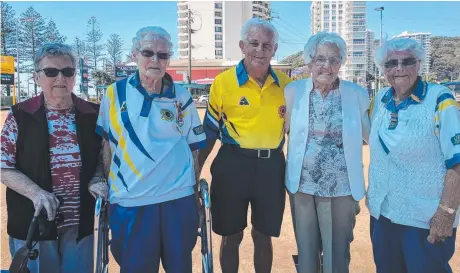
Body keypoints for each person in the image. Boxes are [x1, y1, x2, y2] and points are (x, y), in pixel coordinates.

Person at [96, 26, 206, 273]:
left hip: (177, 199)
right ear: (135, 54)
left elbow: (194, 149)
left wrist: (194, 191)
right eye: (148, 52)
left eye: (163, 54)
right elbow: (107, 146)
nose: (155, 60)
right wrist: (105, 183)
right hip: (130, 201)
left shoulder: (182, 96)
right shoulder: (114, 94)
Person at [0, 43, 107, 273]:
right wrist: (35, 193)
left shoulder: (93, 114)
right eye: (51, 72)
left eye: (67, 71)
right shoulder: (19, 115)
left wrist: (98, 177)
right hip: (34, 224)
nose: (60, 78)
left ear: (74, 76)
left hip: (82, 226)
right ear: (37, 77)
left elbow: (102, 157)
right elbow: (3, 166)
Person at [198, 18, 292, 273]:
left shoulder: (287, 86)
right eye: (254, 43)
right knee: (231, 236)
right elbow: (209, 132)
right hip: (232, 165)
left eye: (266, 45)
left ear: (274, 49)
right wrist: (194, 173)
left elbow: (298, 132)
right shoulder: (223, 82)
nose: (260, 50)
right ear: (242, 45)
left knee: (263, 236)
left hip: (272, 168)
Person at [367, 37, 460, 273]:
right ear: (383, 70)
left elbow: (457, 160)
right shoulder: (380, 99)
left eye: (406, 61)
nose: (398, 68)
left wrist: (446, 213)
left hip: (425, 219)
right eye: (391, 64)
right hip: (383, 213)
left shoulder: (440, 99)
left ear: (418, 64)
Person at [283, 32, 370, 273]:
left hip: (341, 185)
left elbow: (371, 135)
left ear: (341, 63)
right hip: (301, 185)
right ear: (309, 62)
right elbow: (282, 129)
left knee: (337, 251)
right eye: (320, 59)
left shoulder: (357, 94)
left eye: (334, 59)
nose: (327, 66)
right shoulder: (293, 92)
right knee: (306, 249)